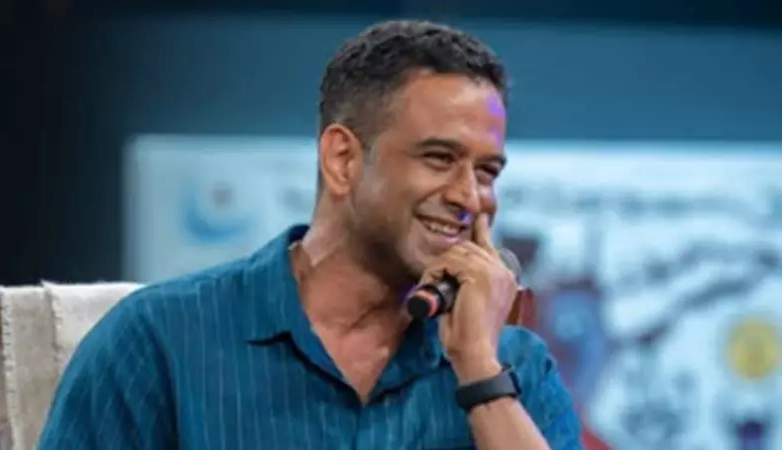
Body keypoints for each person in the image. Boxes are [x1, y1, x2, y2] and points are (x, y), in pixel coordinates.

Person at [37, 20, 582, 449]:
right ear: (342, 159)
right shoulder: (158, 341)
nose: (470, 196)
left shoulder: (516, 367)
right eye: (439, 158)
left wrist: (480, 374)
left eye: (486, 172)